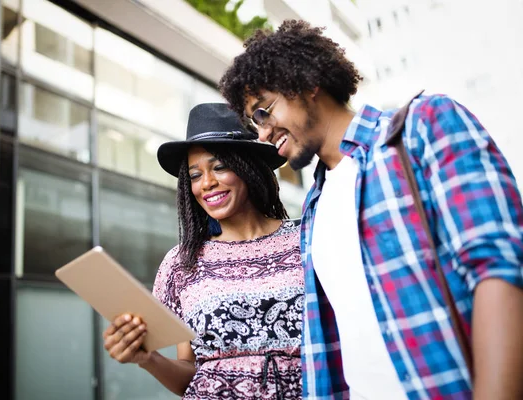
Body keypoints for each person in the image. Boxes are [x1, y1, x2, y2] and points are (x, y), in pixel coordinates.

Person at [218, 19, 523, 400]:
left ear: (306, 82)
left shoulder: (420, 128)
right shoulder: (314, 208)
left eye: (264, 111)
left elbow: (500, 267)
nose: (261, 132)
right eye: (254, 122)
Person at [102, 103, 304, 399]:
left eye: (219, 167)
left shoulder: (307, 238)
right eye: (195, 175)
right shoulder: (182, 263)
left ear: (248, 167)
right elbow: (190, 374)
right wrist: (147, 358)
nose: (207, 183)